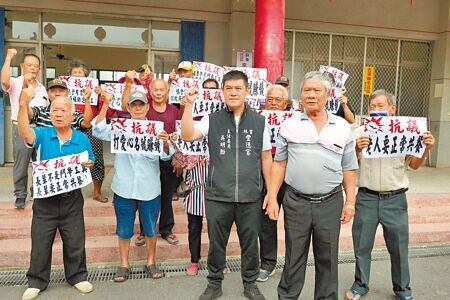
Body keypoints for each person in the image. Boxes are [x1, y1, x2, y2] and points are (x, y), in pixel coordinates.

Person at [265, 71, 358, 300]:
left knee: (327, 258)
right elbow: (280, 163)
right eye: (307, 90)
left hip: (330, 202)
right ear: (300, 95)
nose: (311, 95)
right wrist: (273, 195)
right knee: (294, 257)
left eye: (317, 90)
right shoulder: (289, 125)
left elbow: (349, 168)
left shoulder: (342, 127)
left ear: (328, 95)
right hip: (296, 202)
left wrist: (351, 203)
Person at [181, 70, 273, 300]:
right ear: (222, 91)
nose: (233, 92)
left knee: (250, 244)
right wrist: (189, 106)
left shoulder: (260, 122)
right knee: (216, 243)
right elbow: (188, 135)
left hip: (250, 195)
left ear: (247, 91)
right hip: (217, 195)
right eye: (229, 88)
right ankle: (214, 283)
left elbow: (266, 157)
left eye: (238, 88)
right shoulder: (212, 119)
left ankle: (250, 284)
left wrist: (271, 192)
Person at [345, 90, 435, 300]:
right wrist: (357, 150)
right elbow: (348, 164)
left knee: (399, 248)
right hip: (366, 197)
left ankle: (403, 289)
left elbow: (414, 165)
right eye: (373, 106)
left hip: (395, 199)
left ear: (392, 109)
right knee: (361, 246)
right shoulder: (360, 133)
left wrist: (426, 149)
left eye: (381, 106)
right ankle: (360, 285)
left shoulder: (405, 132)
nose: (376, 110)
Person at [17, 90, 95, 300]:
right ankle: (36, 281)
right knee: (41, 242)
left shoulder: (81, 138)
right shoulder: (42, 134)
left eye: (63, 110)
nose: (58, 113)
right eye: (54, 110)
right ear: (50, 114)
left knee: (75, 240)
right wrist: (23, 105)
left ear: (72, 114)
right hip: (45, 202)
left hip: (71, 199)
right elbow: (25, 133)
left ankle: (78, 276)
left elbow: (91, 160)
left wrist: (89, 163)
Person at [93, 90, 174, 282]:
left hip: (149, 189)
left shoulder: (156, 129)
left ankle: (151, 262)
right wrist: (106, 104)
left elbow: (167, 156)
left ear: (147, 107)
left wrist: (164, 143)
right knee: (124, 229)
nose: (138, 108)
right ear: (128, 108)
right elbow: (97, 130)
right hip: (123, 188)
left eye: (141, 104)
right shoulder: (120, 127)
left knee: (151, 229)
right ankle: (123, 265)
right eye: (134, 105)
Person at [121, 78, 181, 246]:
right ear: (150, 92)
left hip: (166, 156)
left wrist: (172, 145)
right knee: (144, 196)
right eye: (155, 89)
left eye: (162, 89)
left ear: (167, 91)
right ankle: (143, 231)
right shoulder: (143, 110)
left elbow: (181, 131)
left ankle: (166, 229)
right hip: (144, 161)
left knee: (166, 196)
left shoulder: (174, 110)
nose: (159, 92)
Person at [1, 48, 49, 208]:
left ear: (40, 68)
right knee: (21, 165)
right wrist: (8, 58)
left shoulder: (43, 88)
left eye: (36, 65)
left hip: (40, 130)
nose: (33, 68)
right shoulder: (15, 82)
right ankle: (20, 195)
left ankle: (37, 191)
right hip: (21, 128)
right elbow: (4, 80)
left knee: (40, 163)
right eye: (29, 65)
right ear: (22, 66)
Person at [183, 78, 219, 276]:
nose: (210, 95)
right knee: (194, 226)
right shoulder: (190, 121)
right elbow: (178, 161)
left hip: (217, 187)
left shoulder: (224, 121)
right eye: (207, 91)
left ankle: (216, 261)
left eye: (214, 91)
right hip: (195, 187)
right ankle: (194, 260)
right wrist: (195, 159)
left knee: (216, 228)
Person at [257, 84, 289, 283]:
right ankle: (267, 263)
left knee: (295, 223)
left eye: (278, 100)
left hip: (290, 175)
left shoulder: (295, 120)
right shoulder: (258, 119)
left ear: (286, 104)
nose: (274, 103)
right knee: (267, 221)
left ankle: (293, 264)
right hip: (264, 173)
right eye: (271, 99)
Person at [67, 58, 108, 203]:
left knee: (95, 157)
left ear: (86, 75)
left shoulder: (93, 88)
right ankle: (69, 190)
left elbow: (105, 109)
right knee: (70, 158)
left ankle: (97, 192)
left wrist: (101, 94)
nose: (77, 75)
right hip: (70, 126)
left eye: (80, 72)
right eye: (75, 72)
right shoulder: (64, 88)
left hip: (91, 126)